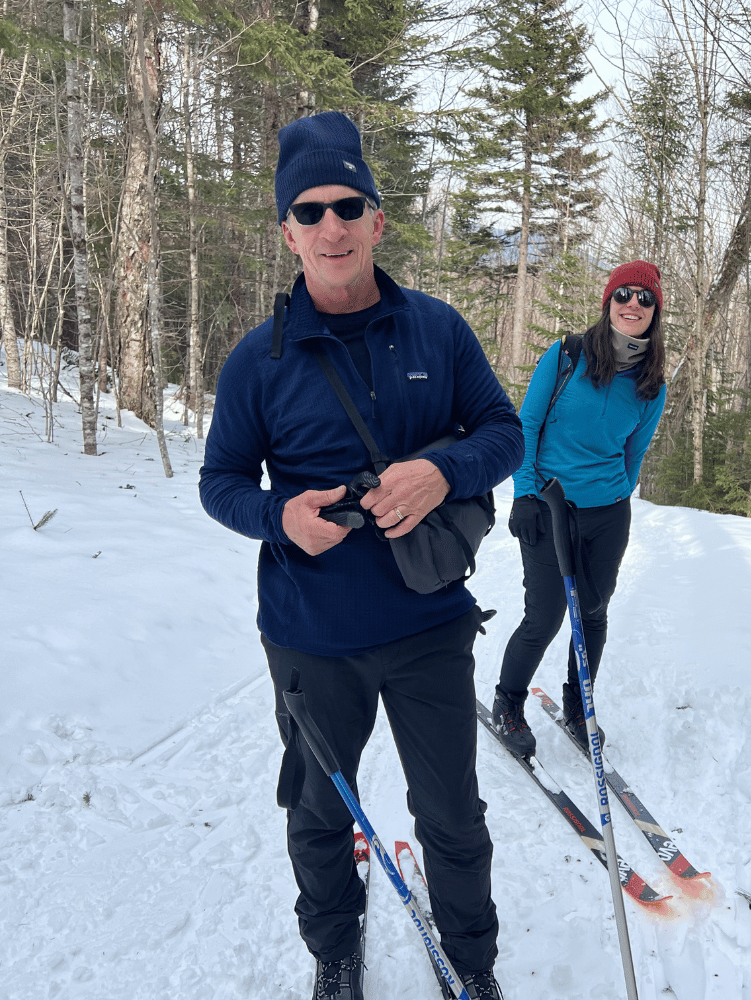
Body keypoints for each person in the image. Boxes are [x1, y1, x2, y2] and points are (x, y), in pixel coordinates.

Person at [199, 111, 522, 1000]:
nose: (331, 226)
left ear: (378, 221)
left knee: (451, 813)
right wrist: (278, 518)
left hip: (428, 624)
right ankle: (334, 953)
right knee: (317, 810)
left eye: (349, 205)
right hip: (309, 634)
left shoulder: (439, 330)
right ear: (287, 232)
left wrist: (436, 470)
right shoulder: (255, 363)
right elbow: (219, 481)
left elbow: (505, 435)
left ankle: (472, 963)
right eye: (310, 211)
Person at [491, 261, 667, 758]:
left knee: (592, 615)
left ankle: (577, 705)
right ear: (608, 302)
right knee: (544, 616)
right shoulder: (567, 356)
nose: (633, 305)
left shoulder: (651, 383)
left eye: (645, 299)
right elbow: (525, 425)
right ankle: (508, 701)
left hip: (608, 515)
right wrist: (525, 492)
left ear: (655, 313)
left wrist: (613, 496)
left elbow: (634, 454)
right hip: (549, 508)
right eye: (624, 295)